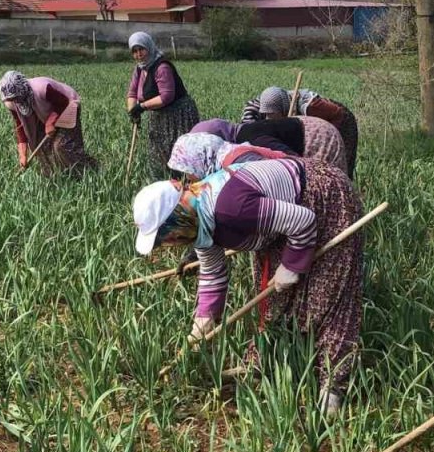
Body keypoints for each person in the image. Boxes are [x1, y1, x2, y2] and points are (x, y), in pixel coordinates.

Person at [131, 155, 364, 415]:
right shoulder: (201, 222)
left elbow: (302, 220)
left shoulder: (230, 208)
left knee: (330, 294)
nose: (170, 244)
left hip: (322, 197)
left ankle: (332, 387)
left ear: (176, 217)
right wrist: (200, 329)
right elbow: (212, 276)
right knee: (272, 297)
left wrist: (291, 265)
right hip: (280, 219)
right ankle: (266, 363)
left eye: (166, 237)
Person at [0, 71, 97, 177]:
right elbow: (20, 126)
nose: (14, 101)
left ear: (21, 90)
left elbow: (63, 102)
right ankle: (55, 175)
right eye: (10, 99)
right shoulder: (11, 103)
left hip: (68, 106)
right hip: (43, 111)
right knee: (40, 146)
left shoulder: (42, 89)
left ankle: (85, 172)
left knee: (61, 145)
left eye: (14, 97)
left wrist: (50, 122)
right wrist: (23, 155)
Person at [126, 32, 200, 172]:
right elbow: (132, 92)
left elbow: (166, 96)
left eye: (141, 49)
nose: (138, 54)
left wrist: (141, 106)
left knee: (179, 153)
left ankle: (182, 186)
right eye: (134, 51)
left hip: (178, 114)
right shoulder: (140, 69)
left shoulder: (162, 67)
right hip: (158, 115)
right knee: (158, 153)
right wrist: (132, 111)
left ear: (149, 47)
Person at [245, 86, 359, 177]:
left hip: (339, 120)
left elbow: (337, 114)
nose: (268, 119)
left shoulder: (312, 106)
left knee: (335, 166)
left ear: (284, 108)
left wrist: (332, 135)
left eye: (273, 115)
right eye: (267, 115)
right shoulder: (260, 104)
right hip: (308, 125)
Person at [190, 117, 348, 174]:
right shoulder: (241, 136)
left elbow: (293, 160)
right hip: (305, 129)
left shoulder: (251, 140)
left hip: (318, 136)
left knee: (325, 176)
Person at [167, 133, 287, 182]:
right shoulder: (229, 153)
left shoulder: (235, 164)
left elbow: (274, 177)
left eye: (187, 171)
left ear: (198, 161)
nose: (187, 178)